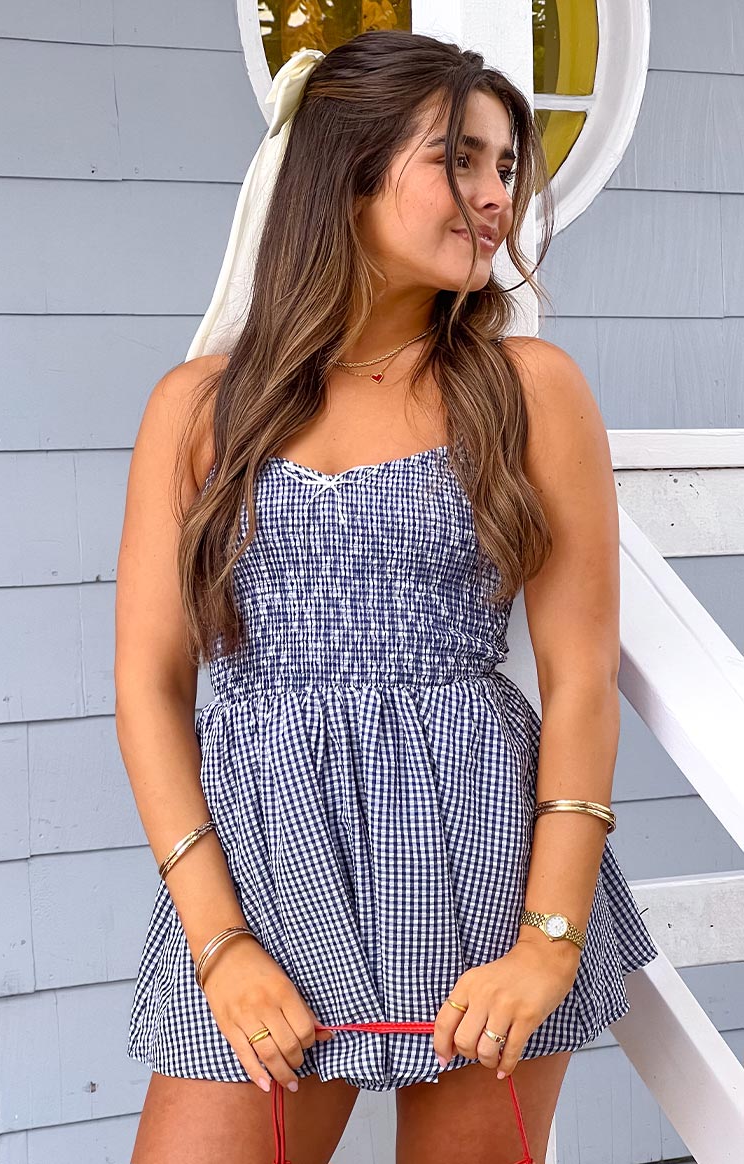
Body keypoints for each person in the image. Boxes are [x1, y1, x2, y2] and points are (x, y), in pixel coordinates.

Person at [116, 28, 659, 1164]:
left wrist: (549, 940)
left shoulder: (528, 390)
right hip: (264, 876)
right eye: (458, 159)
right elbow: (150, 688)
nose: (493, 196)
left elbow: (578, 678)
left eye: (508, 167)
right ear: (347, 170)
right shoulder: (200, 408)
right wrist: (220, 944)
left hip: (481, 862)